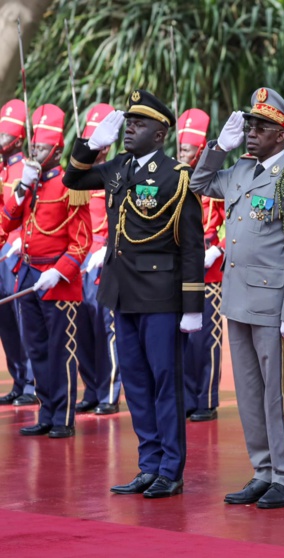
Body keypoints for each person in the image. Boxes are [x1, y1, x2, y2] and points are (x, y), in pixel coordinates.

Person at [63, 90, 205, 498]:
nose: (130, 130)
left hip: (161, 296)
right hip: (121, 292)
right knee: (137, 384)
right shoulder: (118, 167)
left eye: (140, 125)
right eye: (129, 123)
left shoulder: (177, 177)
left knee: (165, 383)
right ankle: (149, 463)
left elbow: (192, 246)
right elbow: (73, 178)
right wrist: (91, 144)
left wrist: (192, 306)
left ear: (160, 134)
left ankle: (170, 469)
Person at [190, 87, 284, 509]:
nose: (251, 133)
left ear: (281, 135)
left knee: (277, 393)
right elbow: (200, 183)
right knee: (247, 390)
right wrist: (217, 148)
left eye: (261, 127)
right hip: (237, 299)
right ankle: (262, 469)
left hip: (273, 305)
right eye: (250, 126)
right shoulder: (241, 170)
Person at [1, 103, 92, 438]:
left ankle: (63, 417)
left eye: (41, 147)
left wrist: (62, 270)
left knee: (61, 349)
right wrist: (22, 188)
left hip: (57, 280)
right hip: (27, 274)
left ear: (56, 149)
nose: (35, 151)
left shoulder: (71, 184)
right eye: (34, 145)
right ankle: (46, 411)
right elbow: (8, 221)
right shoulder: (30, 182)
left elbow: (82, 241)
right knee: (36, 348)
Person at [75, 103, 122, 416]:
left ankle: (108, 392)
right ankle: (91, 389)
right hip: (79, 260)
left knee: (107, 329)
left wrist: (104, 249)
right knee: (81, 330)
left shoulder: (116, 172)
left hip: (105, 259)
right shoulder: (80, 176)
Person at [177, 107, 224, 422]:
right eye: (180, 147)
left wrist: (218, 249)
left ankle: (205, 399)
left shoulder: (214, 181)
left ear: (201, 149)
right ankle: (185, 397)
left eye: (188, 149)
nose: (182, 152)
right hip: (181, 265)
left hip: (209, 267)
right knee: (181, 335)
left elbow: (229, 221)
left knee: (206, 337)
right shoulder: (174, 177)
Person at [0, 99, 36, 407]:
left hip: (15, 251)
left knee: (23, 318)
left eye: (5, 137)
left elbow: (28, 213)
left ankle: (32, 384)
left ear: (18, 140)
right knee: (6, 323)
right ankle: (17, 379)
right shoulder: (2, 169)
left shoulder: (26, 170)